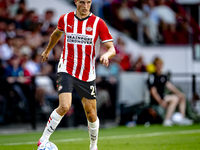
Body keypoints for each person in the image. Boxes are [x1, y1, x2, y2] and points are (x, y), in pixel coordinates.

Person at [37, 0, 116, 150]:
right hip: (66, 68)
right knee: (65, 106)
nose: (85, 6)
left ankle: (93, 146)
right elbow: (56, 34)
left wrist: (107, 55)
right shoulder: (65, 19)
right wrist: (47, 50)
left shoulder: (98, 23)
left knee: (91, 114)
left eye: (88, 2)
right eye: (82, 2)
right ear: (75, 2)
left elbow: (111, 48)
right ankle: (43, 139)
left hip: (87, 74)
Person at [147, 57, 193, 126]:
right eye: (158, 65)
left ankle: (182, 119)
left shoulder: (163, 76)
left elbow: (170, 86)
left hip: (163, 96)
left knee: (181, 96)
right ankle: (167, 120)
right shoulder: (152, 76)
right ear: (155, 66)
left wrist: (179, 93)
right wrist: (160, 101)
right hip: (156, 100)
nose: (160, 67)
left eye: (161, 65)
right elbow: (153, 92)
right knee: (175, 99)